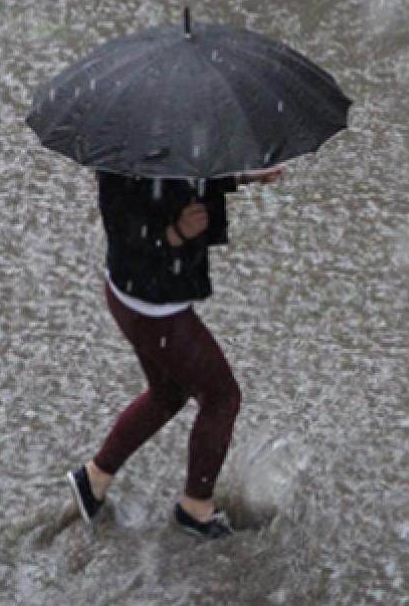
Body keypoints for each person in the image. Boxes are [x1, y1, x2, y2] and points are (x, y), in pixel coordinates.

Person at [66, 165, 283, 539]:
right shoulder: (124, 165)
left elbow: (183, 177)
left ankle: (95, 477)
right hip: (153, 309)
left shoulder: (159, 146)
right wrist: (177, 233)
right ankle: (195, 507)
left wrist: (241, 177)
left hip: (133, 296)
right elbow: (129, 233)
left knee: (168, 394)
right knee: (222, 397)